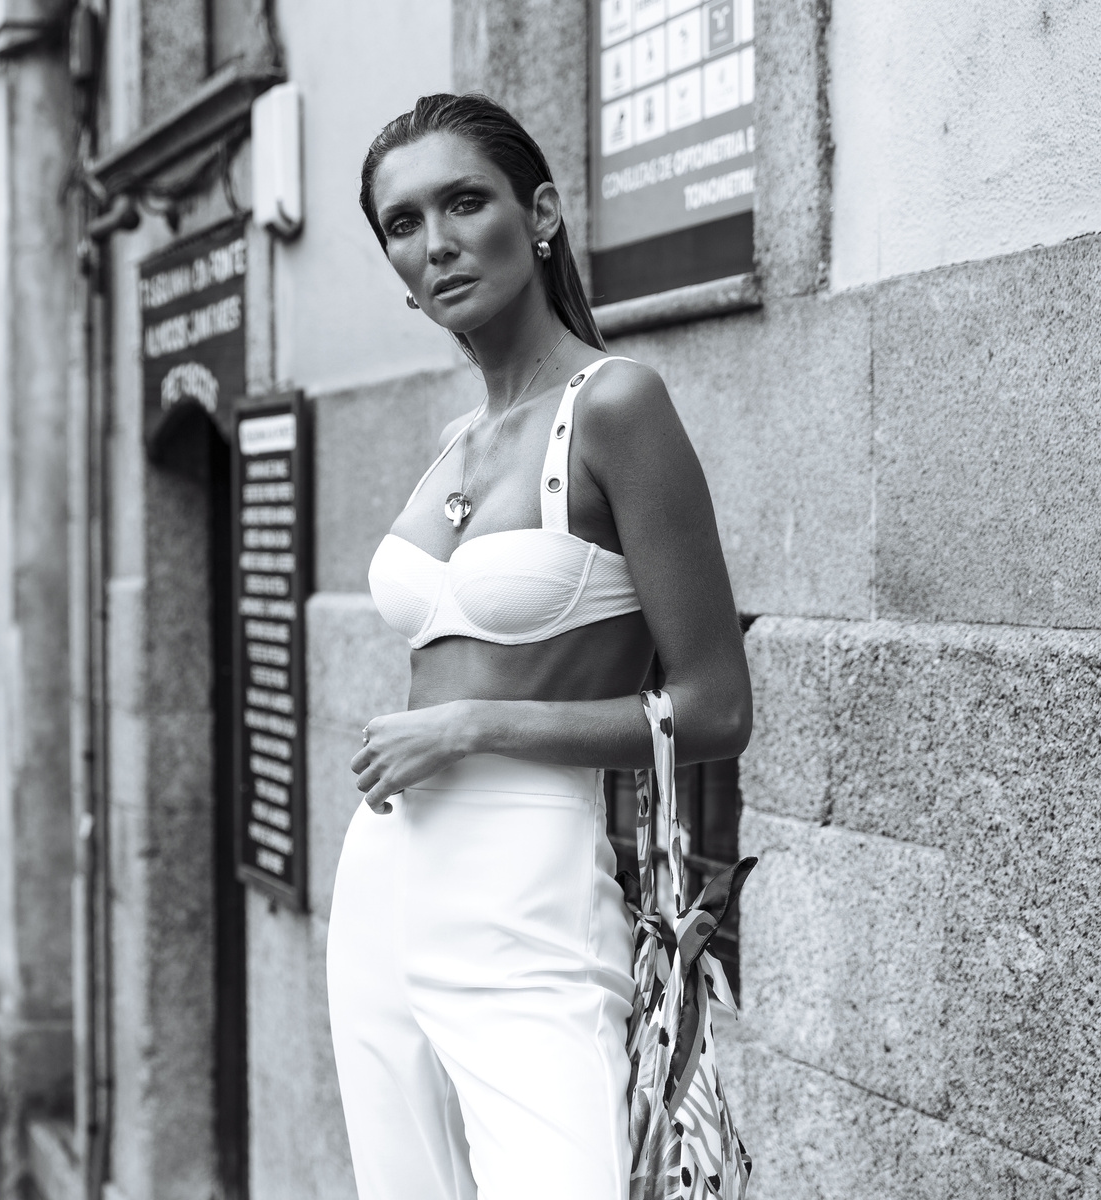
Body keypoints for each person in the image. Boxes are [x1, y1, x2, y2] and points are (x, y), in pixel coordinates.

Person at [328, 93, 752, 1200]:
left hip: (528, 890)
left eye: (465, 201)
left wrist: (477, 726)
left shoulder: (617, 407)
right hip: (381, 878)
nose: (438, 242)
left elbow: (716, 707)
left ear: (544, 214)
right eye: (404, 224)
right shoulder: (452, 442)